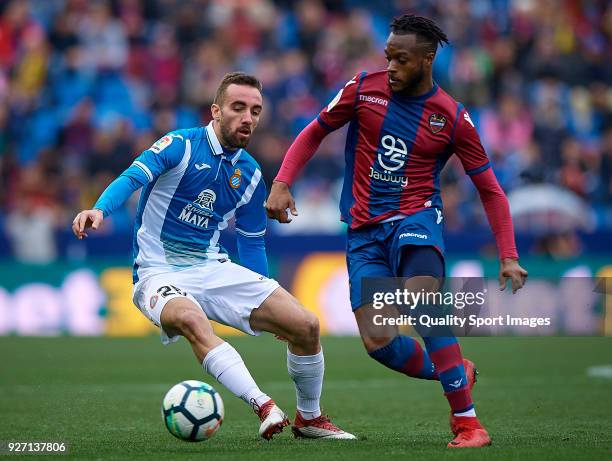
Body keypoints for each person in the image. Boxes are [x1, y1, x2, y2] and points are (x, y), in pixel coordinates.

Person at [266, 15, 528, 448]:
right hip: (364, 232)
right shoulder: (361, 89)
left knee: (421, 298)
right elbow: (315, 132)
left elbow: (491, 190)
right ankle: (456, 370)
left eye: (400, 60)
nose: (390, 67)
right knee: (379, 341)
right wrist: (281, 182)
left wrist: (509, 254)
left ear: (427, 60)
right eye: (388, 57)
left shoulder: (452, 118)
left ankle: (468, 422)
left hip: (416, 220)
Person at [72, 72, 354, 440]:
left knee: (305, 325)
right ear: (216, 111)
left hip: (211, 267)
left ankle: (310, 419)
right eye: (238, 108)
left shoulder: (251, 175)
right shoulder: (180, 145)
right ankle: (263, 405)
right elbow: (132, 177)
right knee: (190, 318)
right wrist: (100, 210)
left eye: (255, 110)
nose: (248, 118)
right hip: (158, 273)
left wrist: (263, 297)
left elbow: (252, 241)